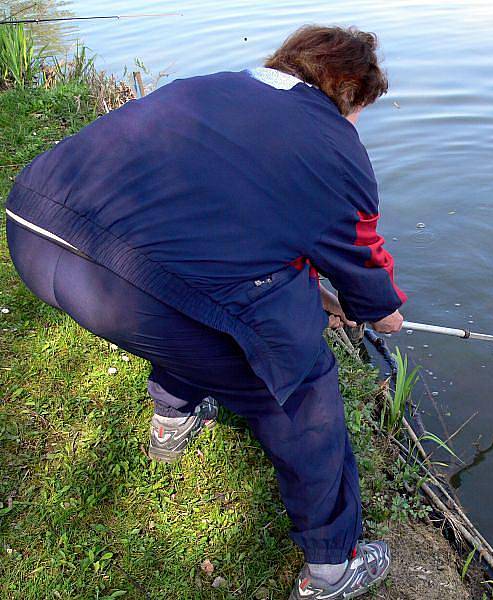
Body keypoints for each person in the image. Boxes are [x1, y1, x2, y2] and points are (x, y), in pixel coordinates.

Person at [5, 25, 405, 600]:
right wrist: (383, 314)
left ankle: (172, 421)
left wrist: (309, 289)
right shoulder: (339, 149)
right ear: (352, 94)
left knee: (208, 312)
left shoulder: (216, 85)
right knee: (300, 382)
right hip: (132, 290)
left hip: (34, 229)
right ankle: (333, 568)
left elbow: (212, 216)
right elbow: (368, 275)